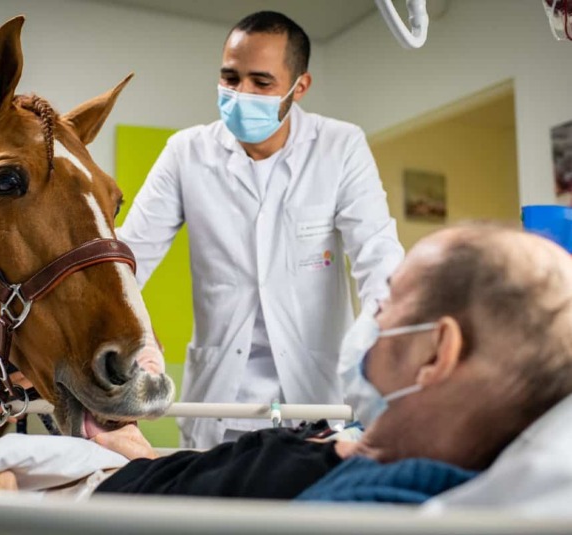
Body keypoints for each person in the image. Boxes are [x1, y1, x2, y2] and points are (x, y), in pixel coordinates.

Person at [77, 223, 572, 500]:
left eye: (387, 302)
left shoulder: (357, 504)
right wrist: (138, 454)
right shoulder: (358, 451)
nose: (372, 318)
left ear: (434, 354)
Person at [117, 11, 405, 448]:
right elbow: (128, 258)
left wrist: (385, 351)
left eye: (261, 82)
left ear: (299, 86)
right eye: (230, 78)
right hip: (219, 404)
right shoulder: (186, 153)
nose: (241, 93)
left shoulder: (339, 146)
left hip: (316, 404)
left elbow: (378, 256)